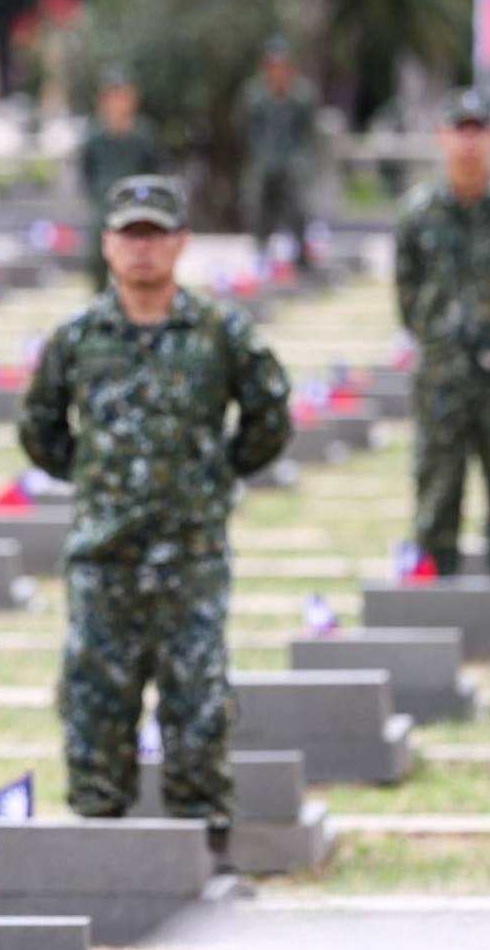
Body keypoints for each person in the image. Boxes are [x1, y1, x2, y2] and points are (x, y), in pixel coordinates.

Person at [19, 175, 291, 874]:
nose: (142, 249)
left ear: (180, 243)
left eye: (155, 234)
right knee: (94, 707)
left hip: (190, 557)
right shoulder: (78, 337)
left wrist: (212, 476)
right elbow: (41, 428)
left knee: (197, 706)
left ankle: (207, 853)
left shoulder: (219, 332)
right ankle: (98, 857)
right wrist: (99, 481)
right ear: (108, 245)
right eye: (129, 235)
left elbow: (269, 416)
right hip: (103, 557)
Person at [394, 90, 490, 589]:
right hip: (440, 373)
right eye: (459, 130)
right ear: (443, 137)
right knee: (437, 483)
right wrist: (436, 332)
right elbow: (407, 293)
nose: (468, 142)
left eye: (477, 130)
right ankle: (436, 590)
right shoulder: (419, 213)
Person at [78, 65, 161, 292]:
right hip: (104, 206)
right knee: (97, 257)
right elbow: (86, 171)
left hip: (137, 207)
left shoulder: (143, 133)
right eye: (110, 96)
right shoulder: (93, 134)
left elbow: (154, 170)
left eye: (121, 95)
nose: (116, 102)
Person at [239, 36, 319, 269]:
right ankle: (261, 252)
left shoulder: (302, 95)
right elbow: (246, 129)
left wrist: (302, 159)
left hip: (293, 160)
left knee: (298, 207)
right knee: (260, 207)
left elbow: (307, 131)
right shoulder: (254, 95)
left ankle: (301, 254)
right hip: (264, 160)